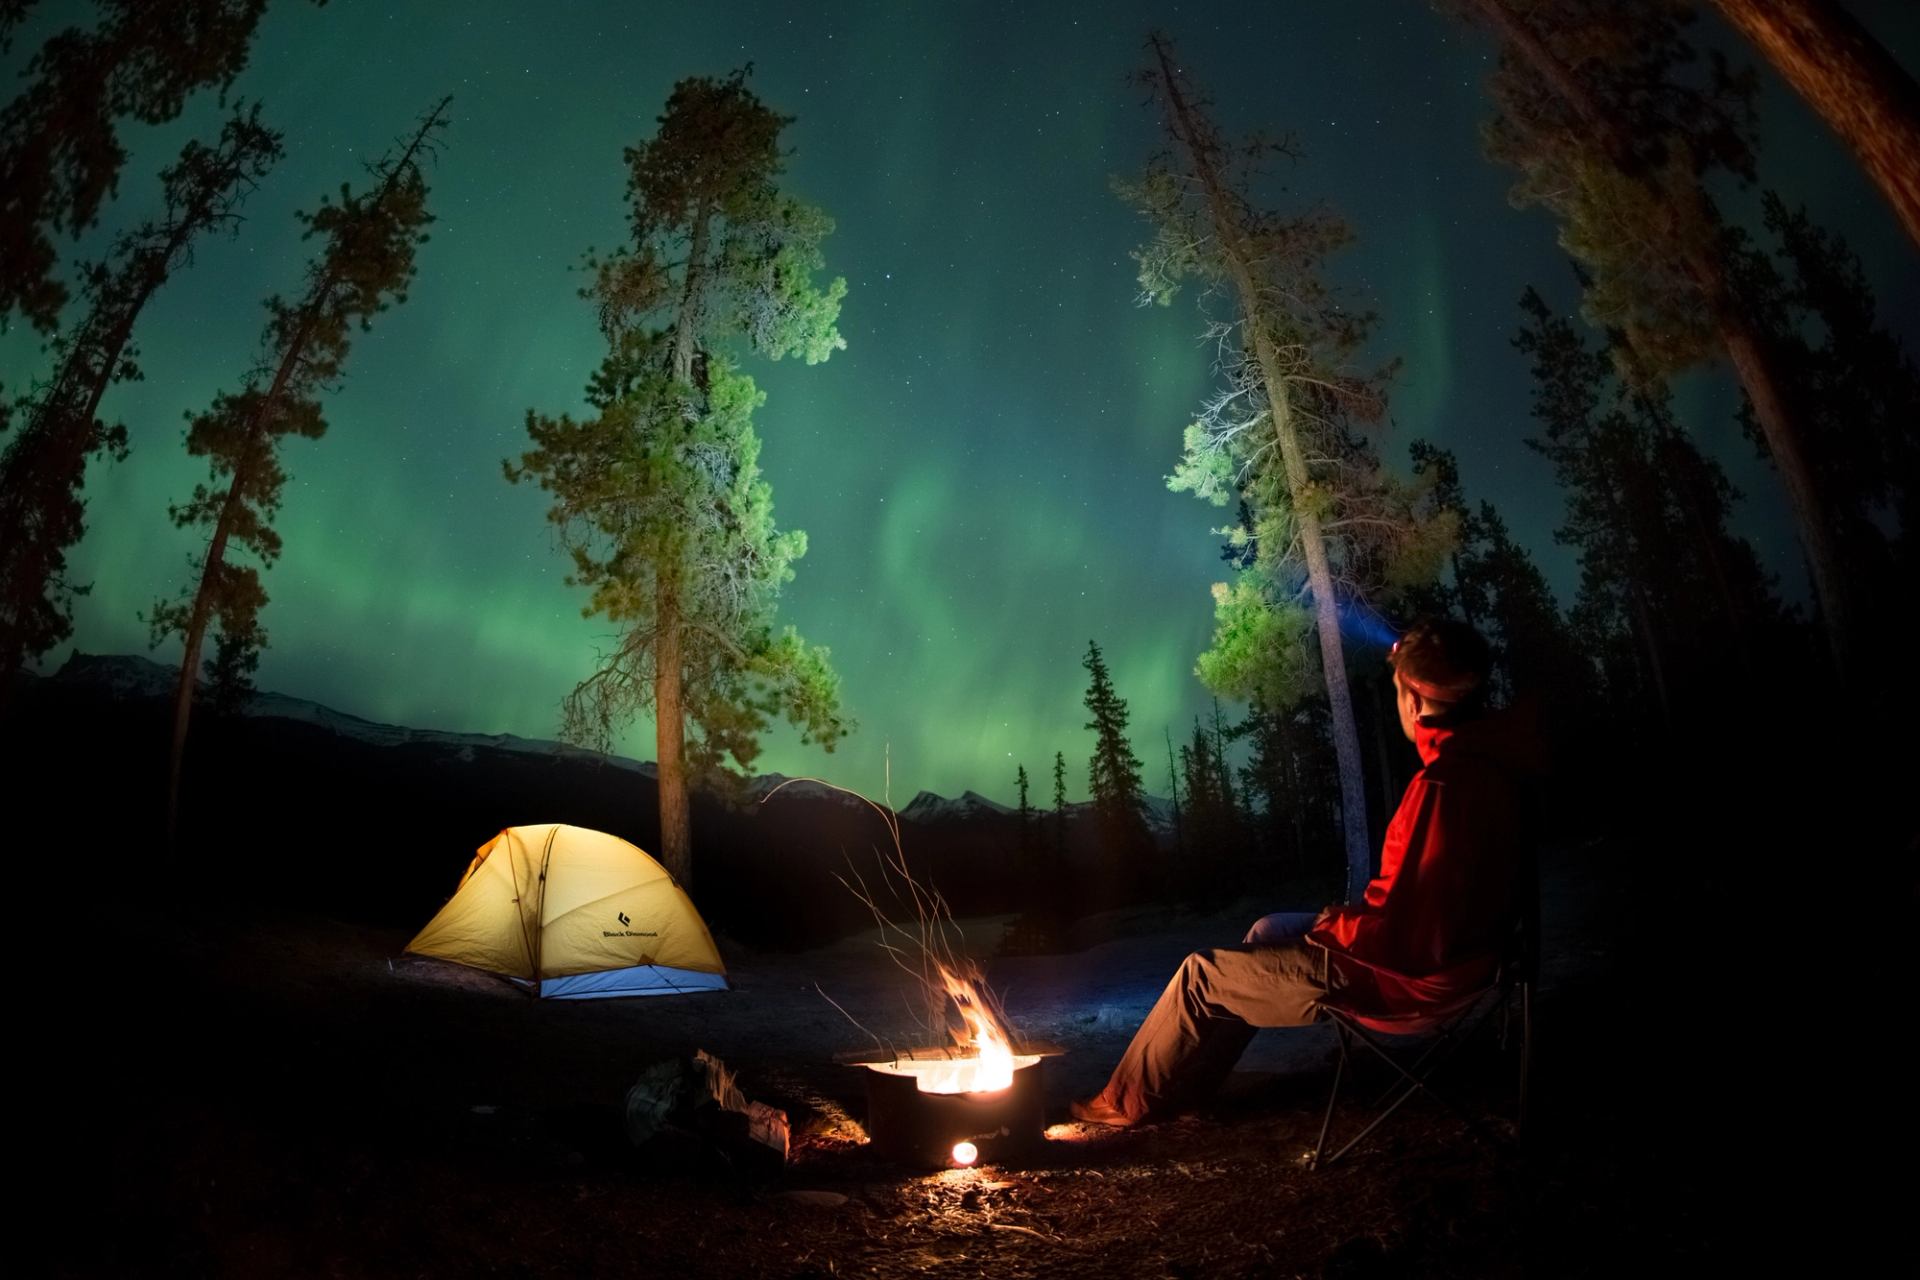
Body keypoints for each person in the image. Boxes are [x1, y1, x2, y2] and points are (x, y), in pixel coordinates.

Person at [1070, 616, 1540, 1128]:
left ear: (1416, 699)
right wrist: (1341, 921)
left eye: (1397, 689)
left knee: (1199, 976)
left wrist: (1337, 929)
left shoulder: (1442, 789)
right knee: (1267, 931)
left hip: (1403, 982)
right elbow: (1423, 907)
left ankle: (1125, 1103)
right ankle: (1182, 1090)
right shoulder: (1488, 769)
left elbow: (1410, 935)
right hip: (1459, 961)